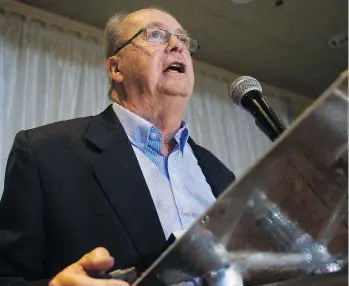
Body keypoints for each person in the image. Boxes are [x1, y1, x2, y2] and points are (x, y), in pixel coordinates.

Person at [0, 8, 235, 286]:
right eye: (156, 35)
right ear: (115, 68)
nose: (177, 46)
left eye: (183, 40)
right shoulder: (44, 154)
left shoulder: (221, 175)